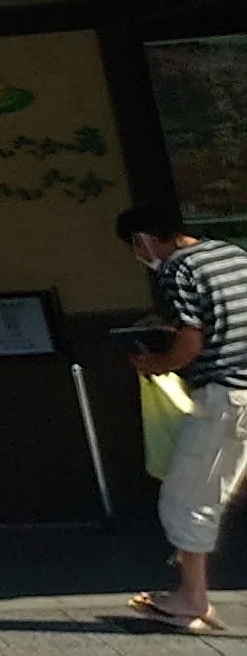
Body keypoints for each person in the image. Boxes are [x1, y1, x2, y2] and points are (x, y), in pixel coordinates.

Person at [120, 207, 247, 632]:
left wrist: (158, 362)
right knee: (224, 489)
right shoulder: (233, 255)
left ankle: (191, 598)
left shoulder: (179, 269)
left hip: (227, 395)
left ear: (144, 240)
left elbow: (192, 340)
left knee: (188, 496)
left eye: (136, 248)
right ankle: (190, 596)